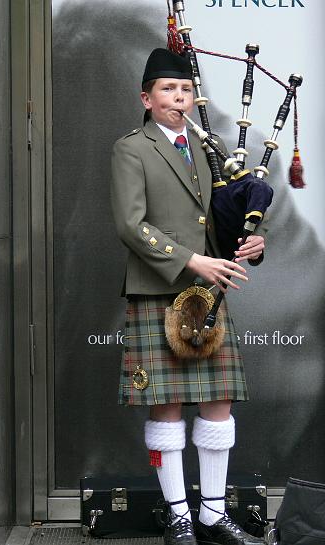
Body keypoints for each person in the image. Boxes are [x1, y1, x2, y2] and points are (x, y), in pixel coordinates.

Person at [110, 48, 267, 545]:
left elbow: (222, 218)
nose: (179, 98)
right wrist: (190, 260)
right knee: (167, 407)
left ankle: (213, 515)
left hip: (206, 294)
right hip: (160, 289)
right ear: (147, 98)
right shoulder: (131, 148)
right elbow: (131, 226)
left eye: (185, 91)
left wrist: (252, 243)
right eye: (167, 91)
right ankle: (178, 515)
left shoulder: (209, 147)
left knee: (218, 403)